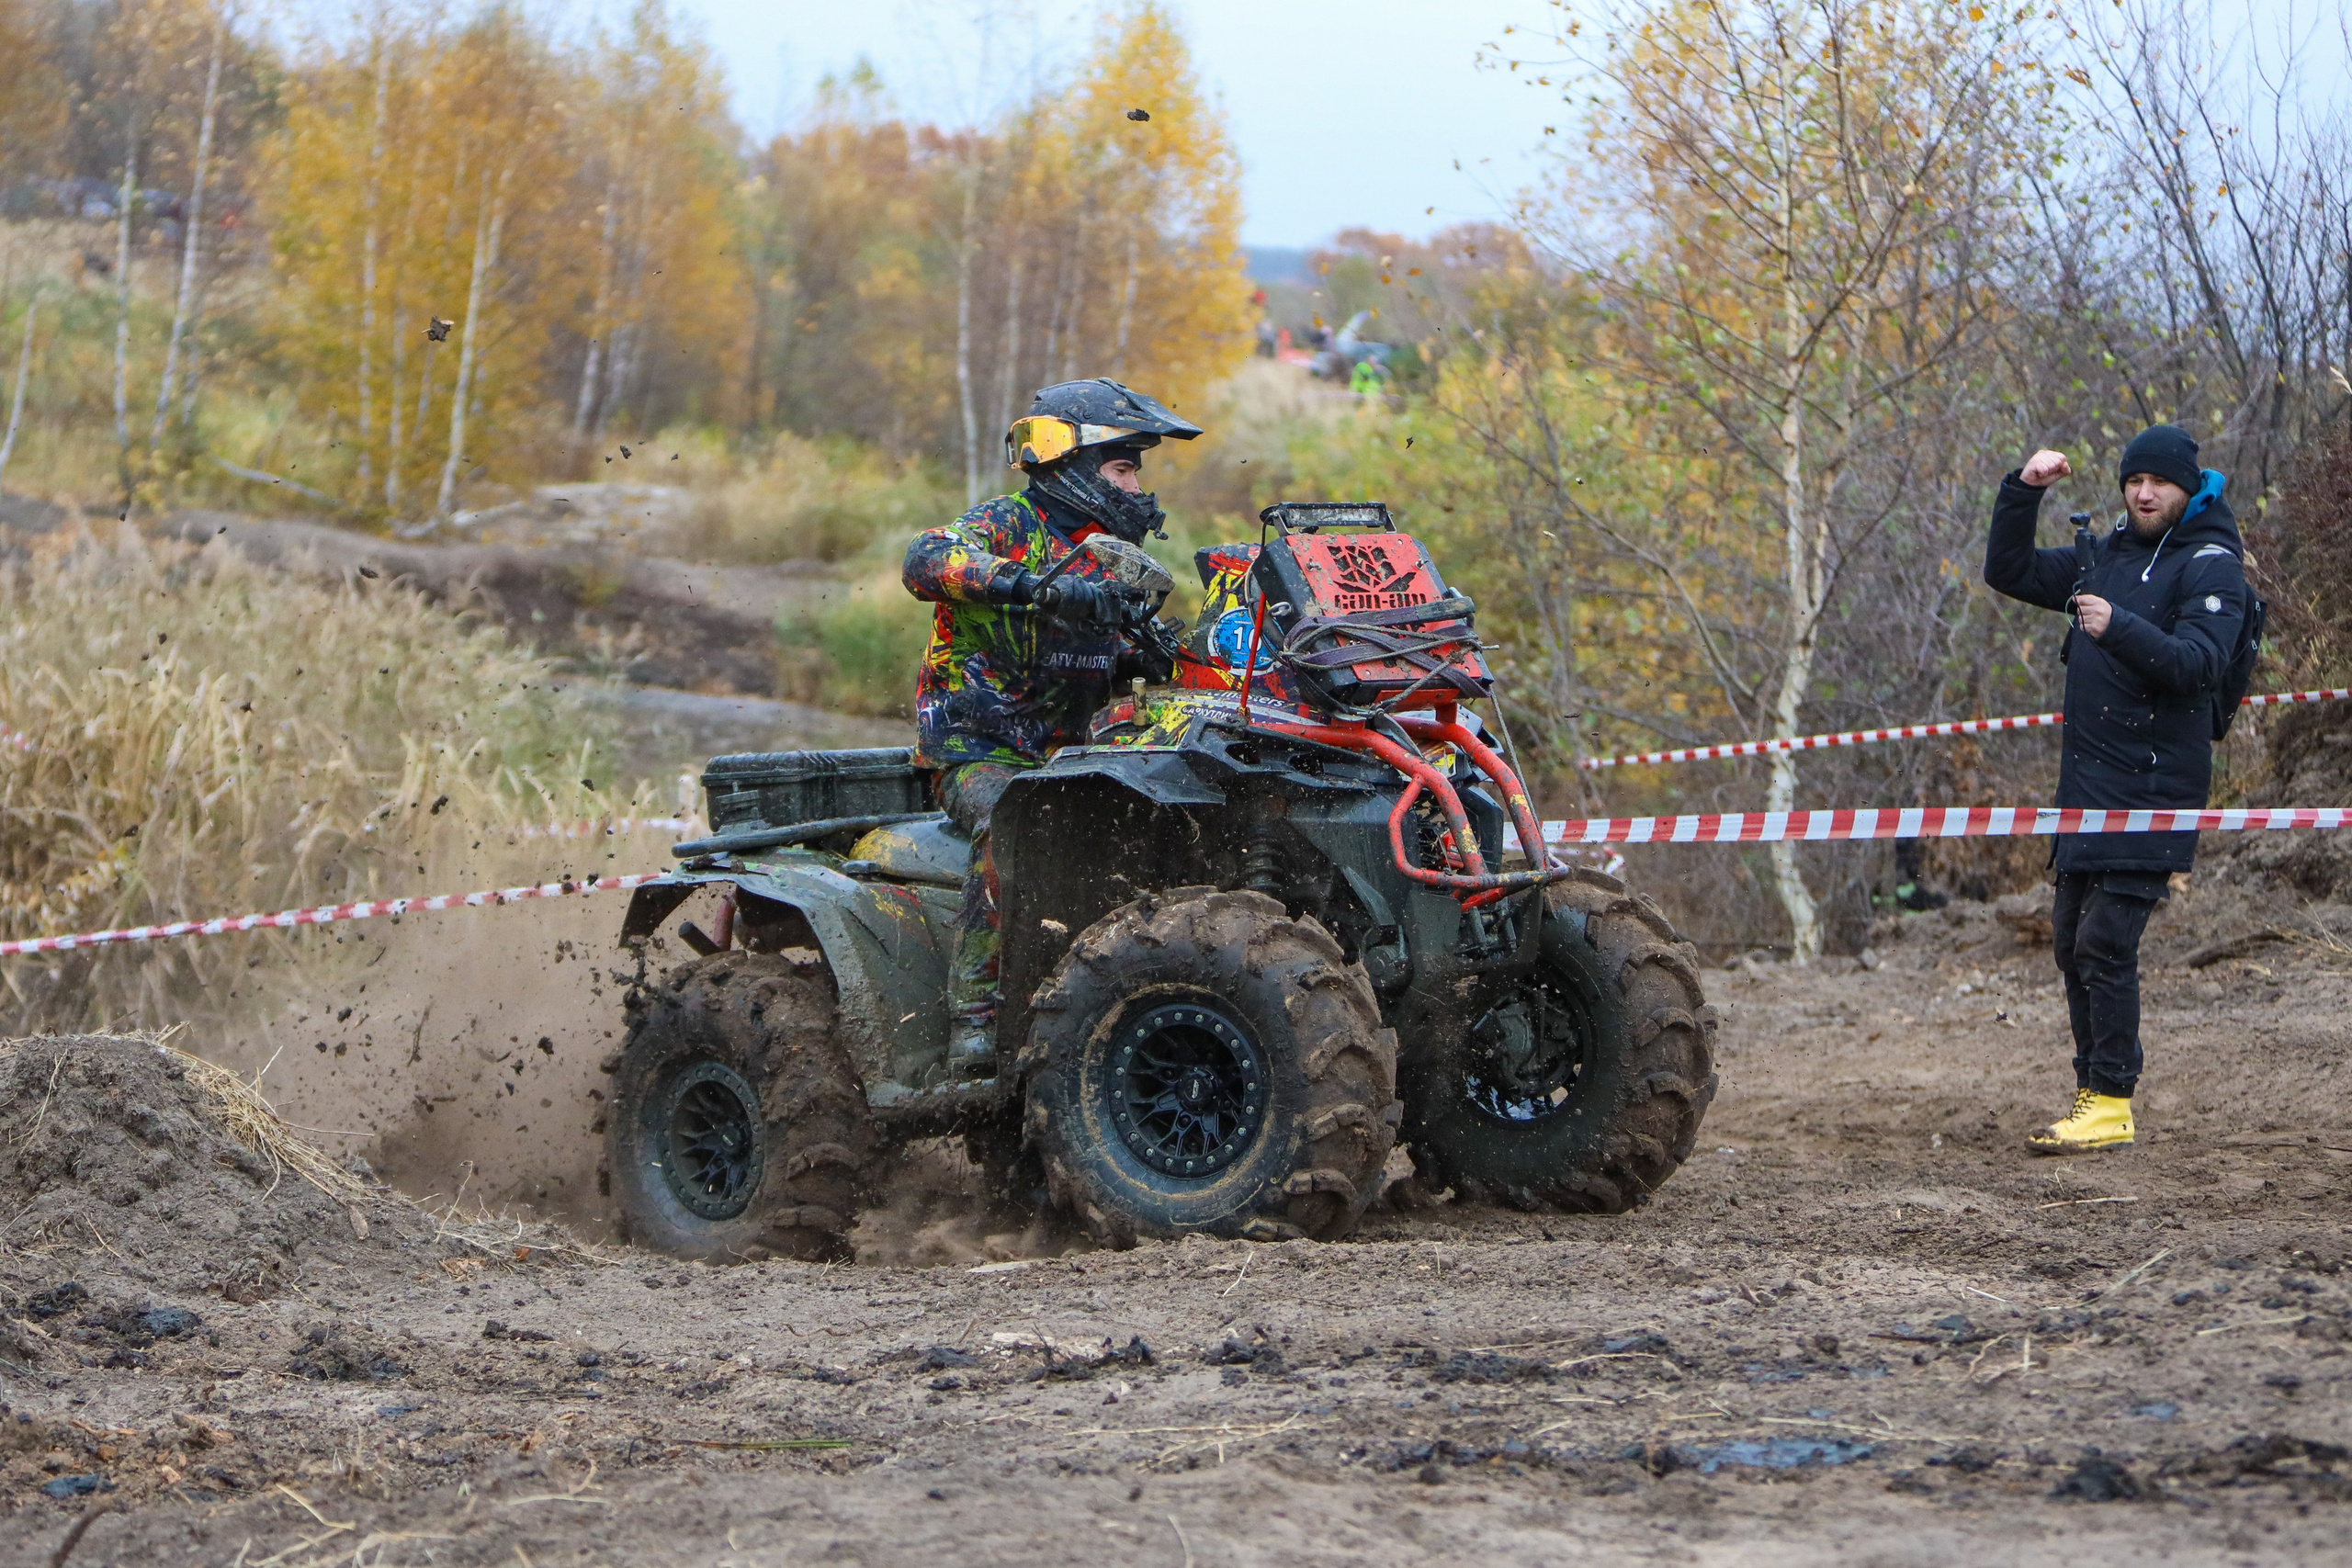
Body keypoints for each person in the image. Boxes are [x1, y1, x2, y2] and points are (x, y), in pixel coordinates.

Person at [902, 378, 1201, 1077]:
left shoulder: (1119, 563)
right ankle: (972, 1022)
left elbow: (1134, 657)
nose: (1136, 486)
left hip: (1077, 759)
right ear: (1070, 463)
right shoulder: (1010, 526)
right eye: (1123, 468)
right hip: (979, 754)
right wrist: (1034, 587)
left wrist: (1151, 652)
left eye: (1137, 470)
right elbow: (925, 559)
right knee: (1013, 815)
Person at [1983, 424, 2249, 1154]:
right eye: (2135, 480)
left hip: (2156, 788)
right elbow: (2006, 569)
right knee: (2071, 941)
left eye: (2159, 482)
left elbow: (2198, 664)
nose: (2144, 492)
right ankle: (2091, 1096)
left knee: (2106, 940)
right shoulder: (2102, 557)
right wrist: (2023, 490)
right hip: (2085, 789)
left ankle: (2111, 1099)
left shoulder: (2211, 565)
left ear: (2187, 489)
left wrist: (2118, 625)